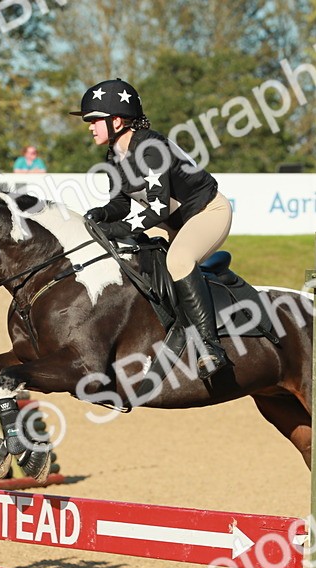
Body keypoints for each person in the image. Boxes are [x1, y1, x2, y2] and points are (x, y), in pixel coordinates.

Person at [72, 78, 231, 378]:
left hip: (209, 212)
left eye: (94, 120)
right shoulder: (114, 155)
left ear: (116, 120)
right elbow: (120, 204)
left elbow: (157, 208)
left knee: (179, 260)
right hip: (176, 223)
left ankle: (211, 348)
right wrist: (100, 214)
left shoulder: (151, 148)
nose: (90, 126)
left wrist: (117, 229)